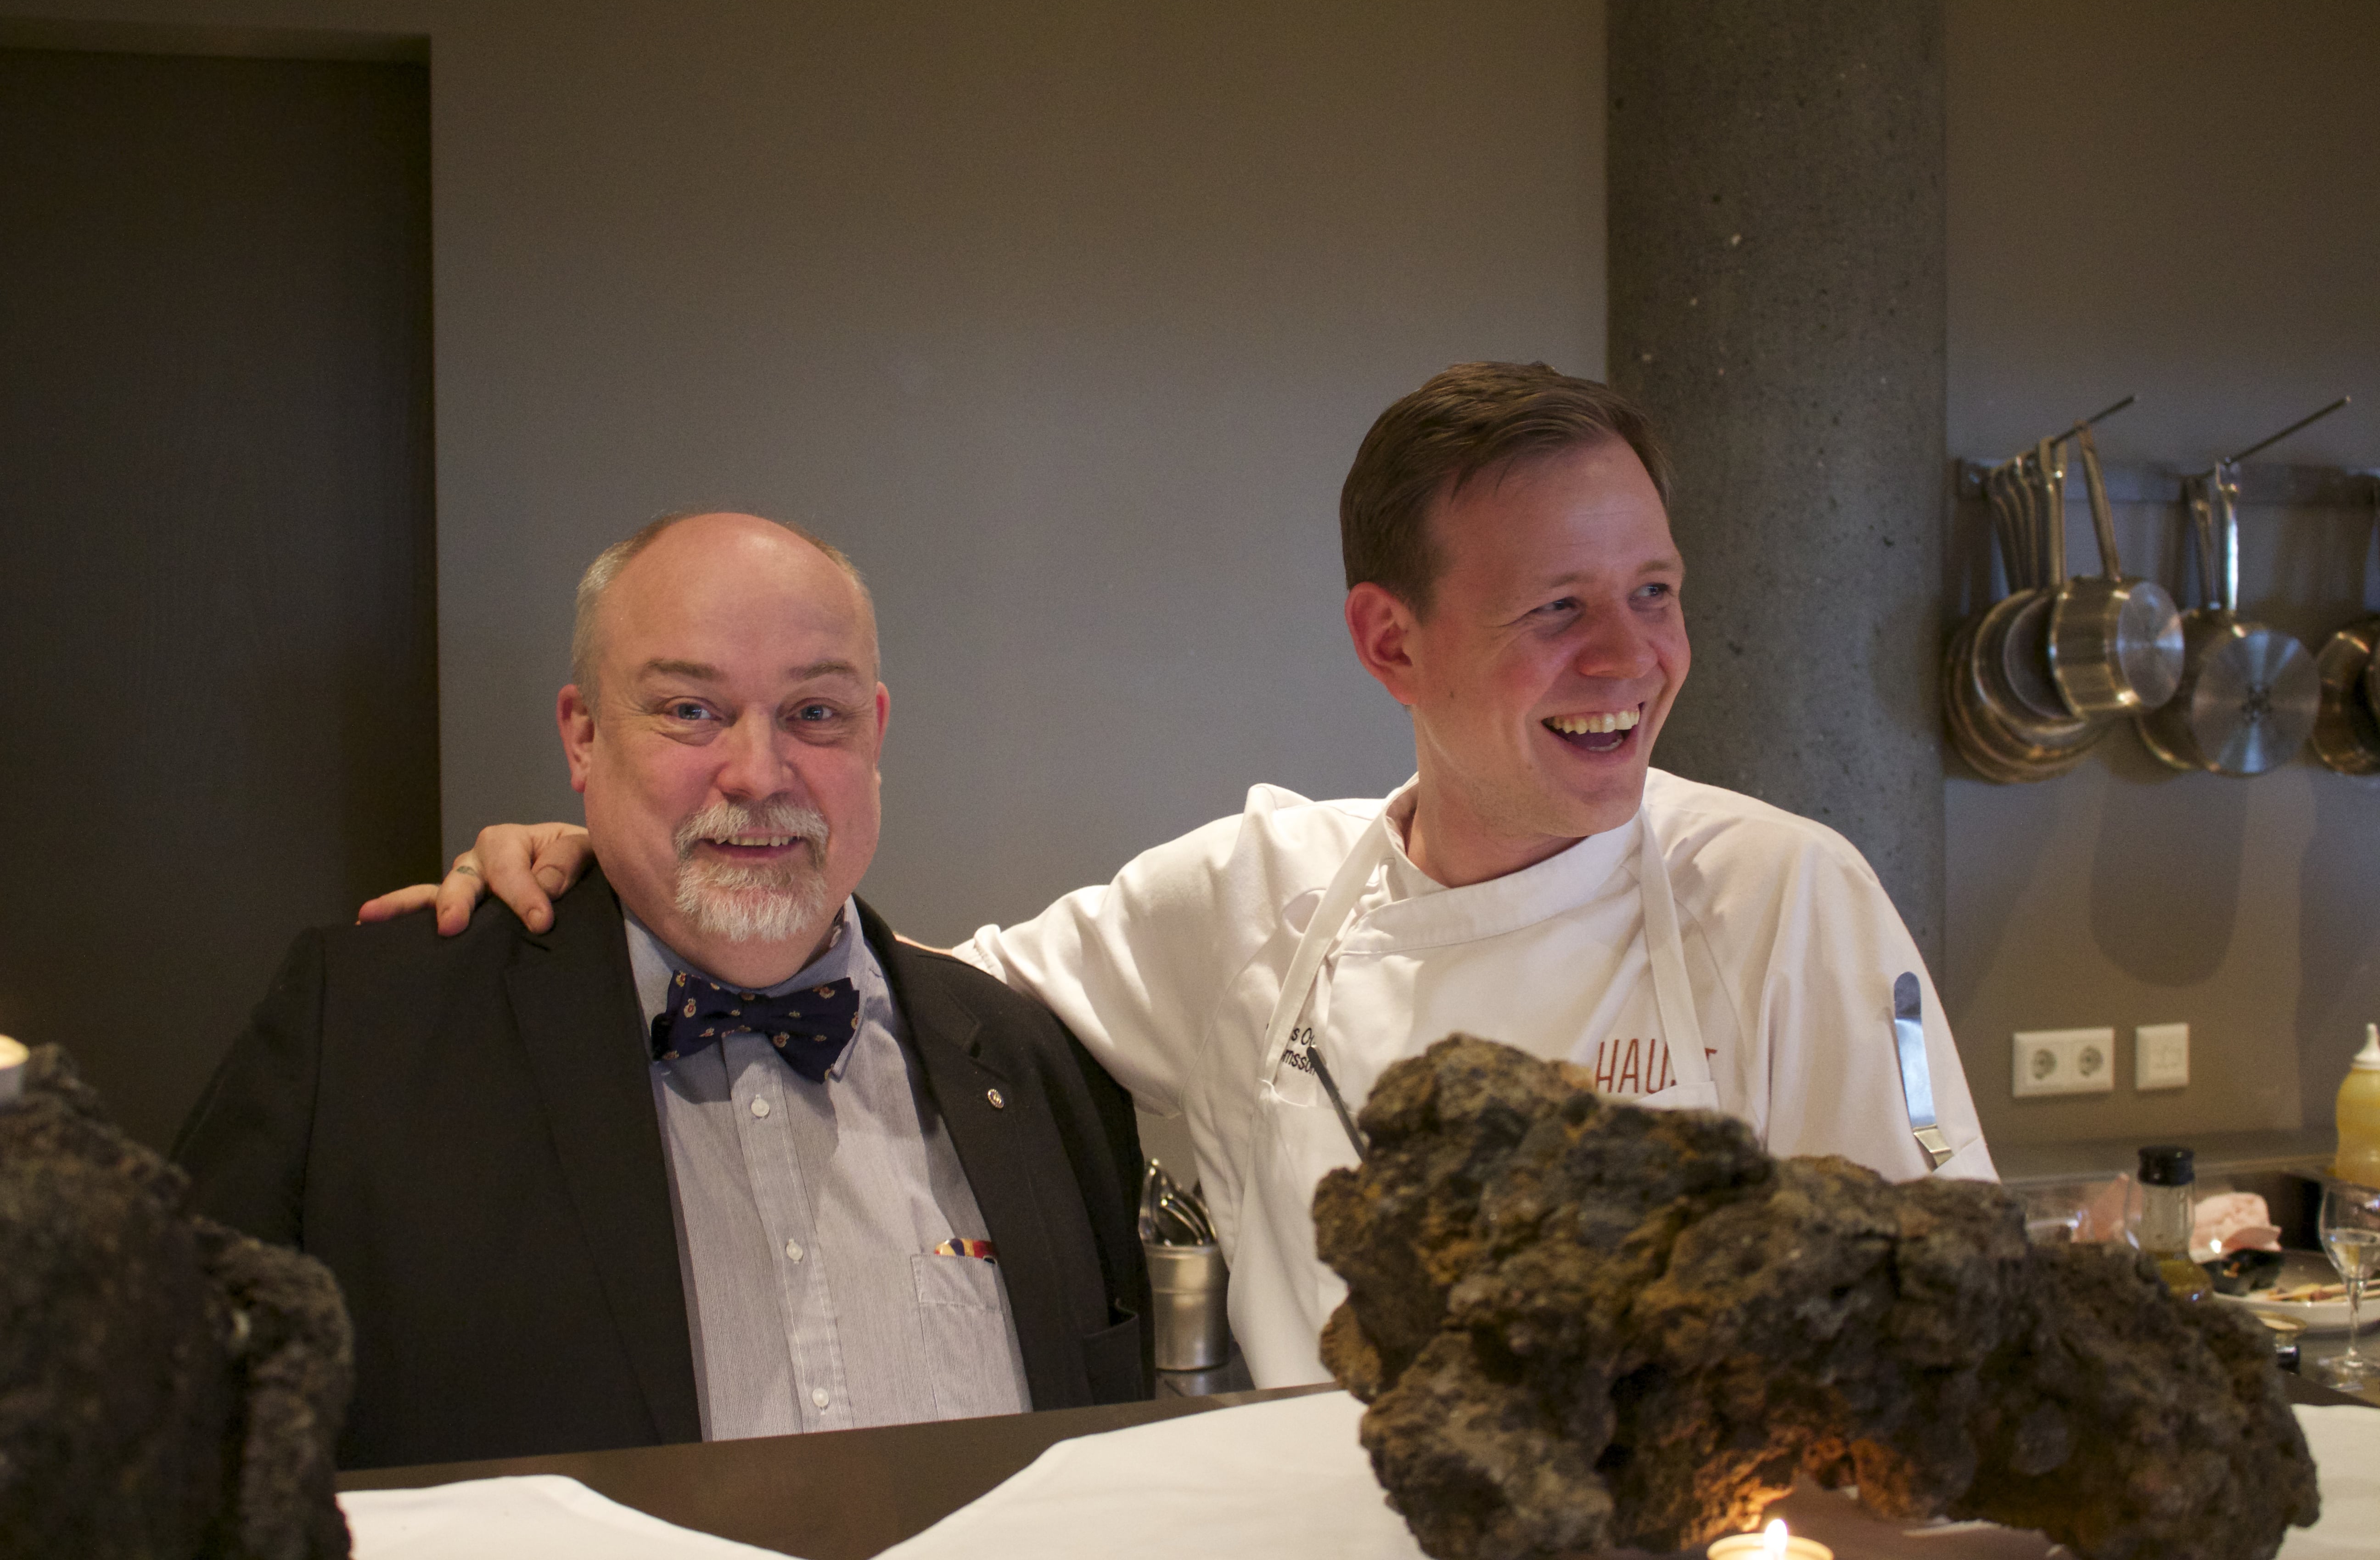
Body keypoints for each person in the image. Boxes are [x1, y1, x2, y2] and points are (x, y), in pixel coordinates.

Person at [374, 363, 1993, 1391]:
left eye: (1654, 591)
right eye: (1558, 609)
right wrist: (625, 872)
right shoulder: (1253, 896)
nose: (1633, 658)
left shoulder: (1783, 896)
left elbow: (1951, 1319)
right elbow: (870, 988)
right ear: (1389, 642)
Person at [176, 513, 1149, 1470]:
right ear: (584, 736)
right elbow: (168, 1436)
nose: (758, 774)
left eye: (815, 713)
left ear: (876, 735)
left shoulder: (1034, 1064)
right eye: (691, 710)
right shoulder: (360, 1038)